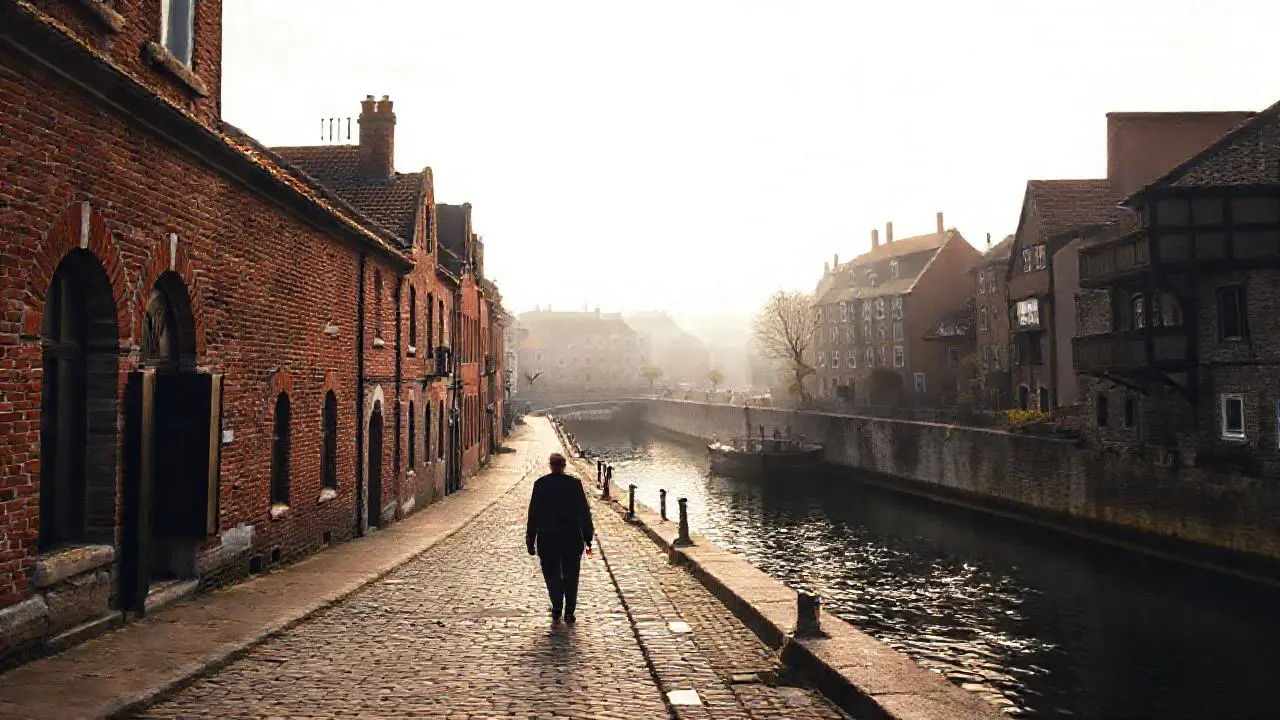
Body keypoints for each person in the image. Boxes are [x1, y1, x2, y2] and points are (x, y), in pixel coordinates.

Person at [526, 452, 594, 623]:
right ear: (564, 466)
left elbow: (533, 514)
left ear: (550, 465)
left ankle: (557, 605)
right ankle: (569, 611)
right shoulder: (574, 484)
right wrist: (588, 537)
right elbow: (583, 513)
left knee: (551, 574)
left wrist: (530, 539)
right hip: (571, 538)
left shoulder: (541, 484)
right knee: (572, 575)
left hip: (547, 539)